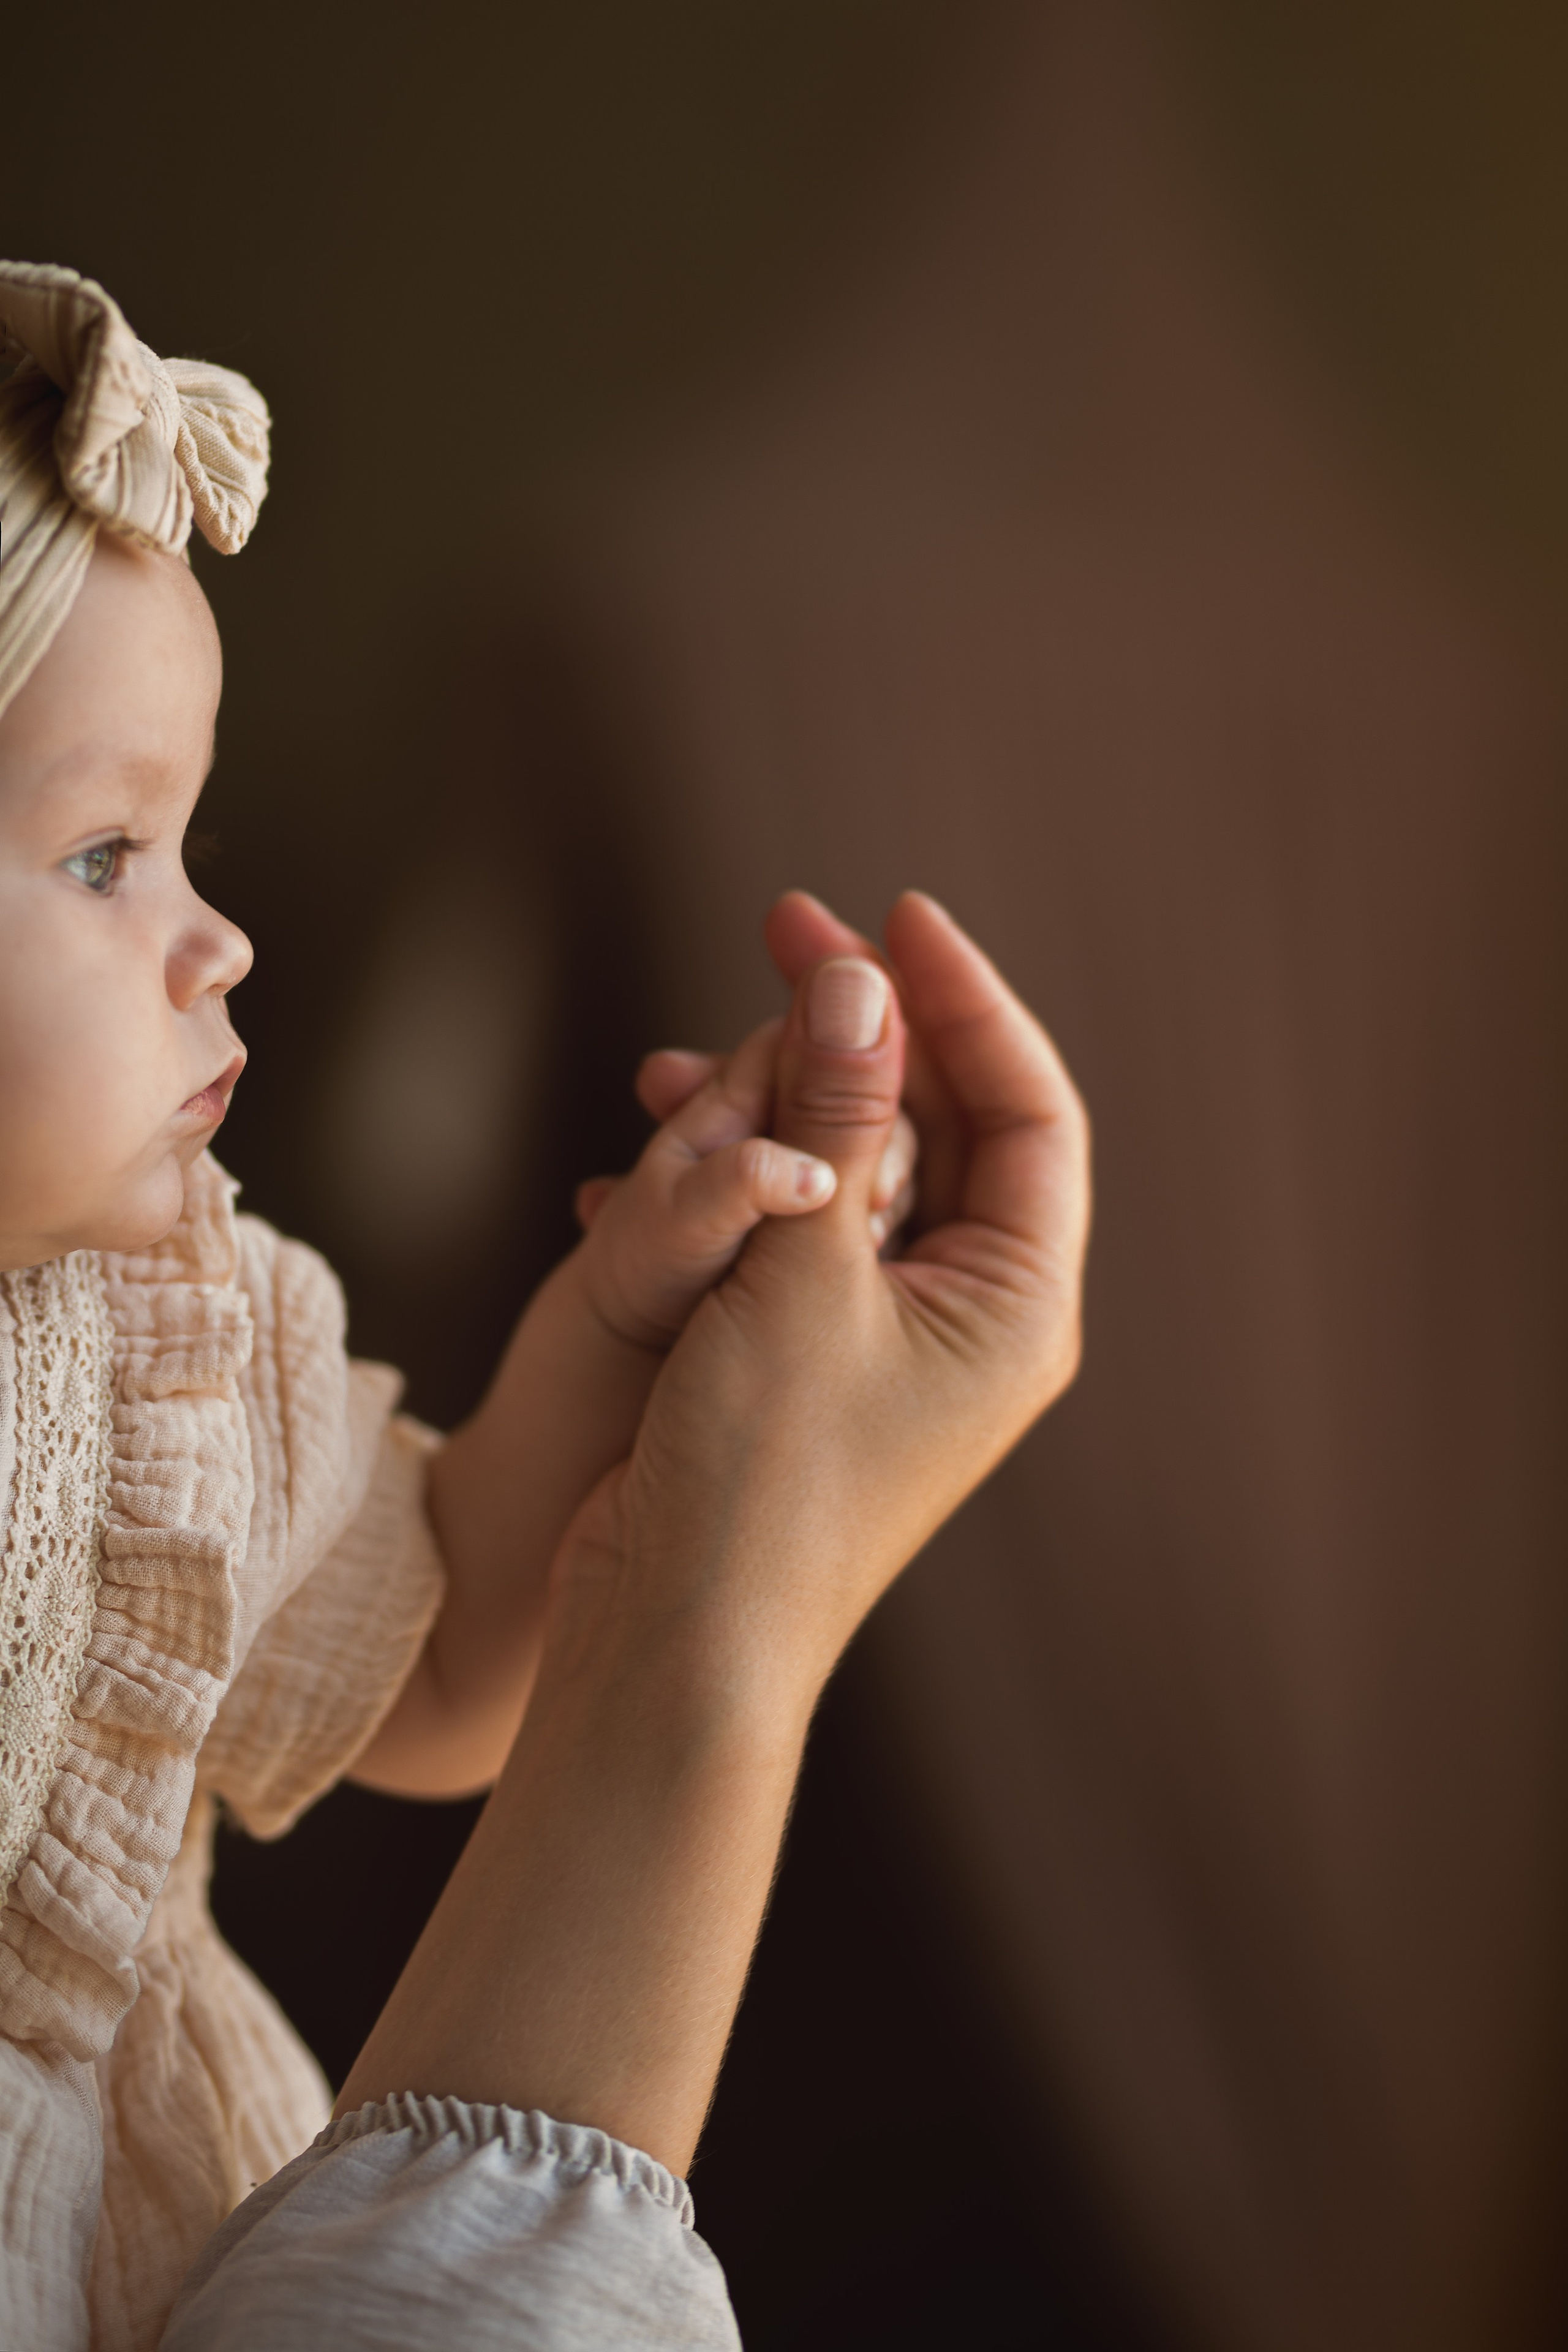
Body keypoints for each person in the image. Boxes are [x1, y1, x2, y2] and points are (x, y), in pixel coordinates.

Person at [0, 260, 1090, 2348]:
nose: (216, 937)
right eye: (102, 855)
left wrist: (615, 1318)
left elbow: (434, 1660)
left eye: (190, 835)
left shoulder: (161, 1337)